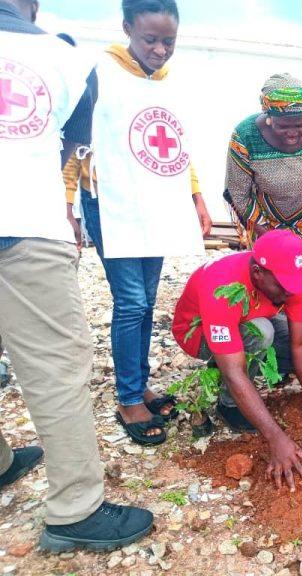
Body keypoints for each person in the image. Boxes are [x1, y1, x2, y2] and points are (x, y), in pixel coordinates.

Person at [0, 0, 152, 551]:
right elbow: (72, 146)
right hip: (22, 221)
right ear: (34, 5)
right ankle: (74, 511)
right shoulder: (63, 58)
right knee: (55, 365)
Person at [78, 0, 213, 445]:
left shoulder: (168, 83)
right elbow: (76, 138)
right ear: (126, 29)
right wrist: (68, 203)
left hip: (154, 202)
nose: (159, 50)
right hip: (111, 203)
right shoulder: (99, 71)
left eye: (168, 41)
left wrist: (195, 197)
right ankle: (128, 397)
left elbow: (177, 147)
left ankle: (140, 384)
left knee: (148, 298)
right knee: (132, 301)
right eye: (149, 39)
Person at [171, 230, 302, 490]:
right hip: (199, 333)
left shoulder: (289, 281)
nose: (291, 292)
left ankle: (237, 356)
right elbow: (234, 373)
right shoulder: (223, 286)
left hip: (249, 319)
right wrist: (276, 438)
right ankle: (229, 406)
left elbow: (301, 343)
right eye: (284, 286)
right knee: (262, 332)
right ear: (257, 273)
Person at [226, 73, 302, 379]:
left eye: (299, 126)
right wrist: (269, 236)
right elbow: (238, 191)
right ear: (268, 118)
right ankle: (272, 355)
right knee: (272, 286)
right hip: (266, 224)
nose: (292, 134)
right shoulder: (244, 136)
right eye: (283, 127)